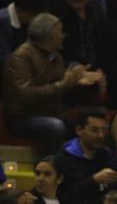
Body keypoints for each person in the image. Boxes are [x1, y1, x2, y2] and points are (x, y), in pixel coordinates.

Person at [3, 12, 103, 155]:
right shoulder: (21, 57)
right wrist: (65, 84)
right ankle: (48, 168)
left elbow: (64, 89)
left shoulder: (56, 57)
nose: (63, 36)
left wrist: (83, 84)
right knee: (55, 127)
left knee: (90, 122)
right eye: (61, 32)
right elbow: (25, 95)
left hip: (52, 111)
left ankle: (79, 167)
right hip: (23, 117)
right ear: (52, 35)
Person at [53, 107, 117, 204]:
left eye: (103, 130)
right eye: (94, 130)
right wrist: (93, 181)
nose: (100, 135)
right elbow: (65, 197)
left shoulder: (109, 156)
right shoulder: (64, 158)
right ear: (79, 130)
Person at [0, 0, 49, 65]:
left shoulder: (24, 23)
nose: (33, 20)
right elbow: (3, 58)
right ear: (18, 10)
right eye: (31, 15)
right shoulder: (2, 21)